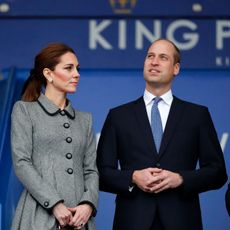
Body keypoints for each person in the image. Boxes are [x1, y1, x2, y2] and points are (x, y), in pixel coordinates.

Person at [97, 38, 228, 230]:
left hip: (182, 221)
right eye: (150, 56)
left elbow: (217, 172)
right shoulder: (118, 116)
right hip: (132, 222)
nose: (154, 62)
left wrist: (181, 179)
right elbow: (100, 173)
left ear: (176, 68)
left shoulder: (197, 115)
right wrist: (133, 177)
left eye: (163, 57)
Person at [11, 43, 99, 230]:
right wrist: (54, 203)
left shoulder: (85, 120)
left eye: (77, 68)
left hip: (80, 220)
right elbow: (22, 163)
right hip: (38, 217)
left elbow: (91, 170)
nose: (77, 74)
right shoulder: (25, 110)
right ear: (48, 74)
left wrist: (88, 204)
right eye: (69, 68)